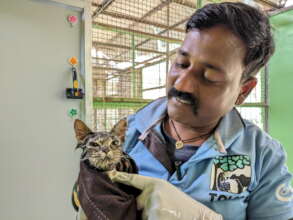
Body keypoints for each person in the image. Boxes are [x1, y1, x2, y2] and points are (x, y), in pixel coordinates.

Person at [108, 2, 293, 220]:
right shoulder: (126, 133)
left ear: (243, 91)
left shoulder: (263, 155)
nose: (182, 85)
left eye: (209, 77)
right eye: (181, 63)